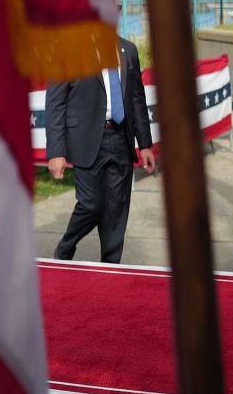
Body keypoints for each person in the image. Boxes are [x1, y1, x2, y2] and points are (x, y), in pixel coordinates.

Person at [46, 28, 155, 264]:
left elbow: (137, 98)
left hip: (121, 138)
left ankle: (111, 269)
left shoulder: (128, 50)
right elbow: (55, 103)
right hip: (86, 140)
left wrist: (145, 144)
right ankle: (65, 248)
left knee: (117, 210)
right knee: (91, 204)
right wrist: (56, 152)